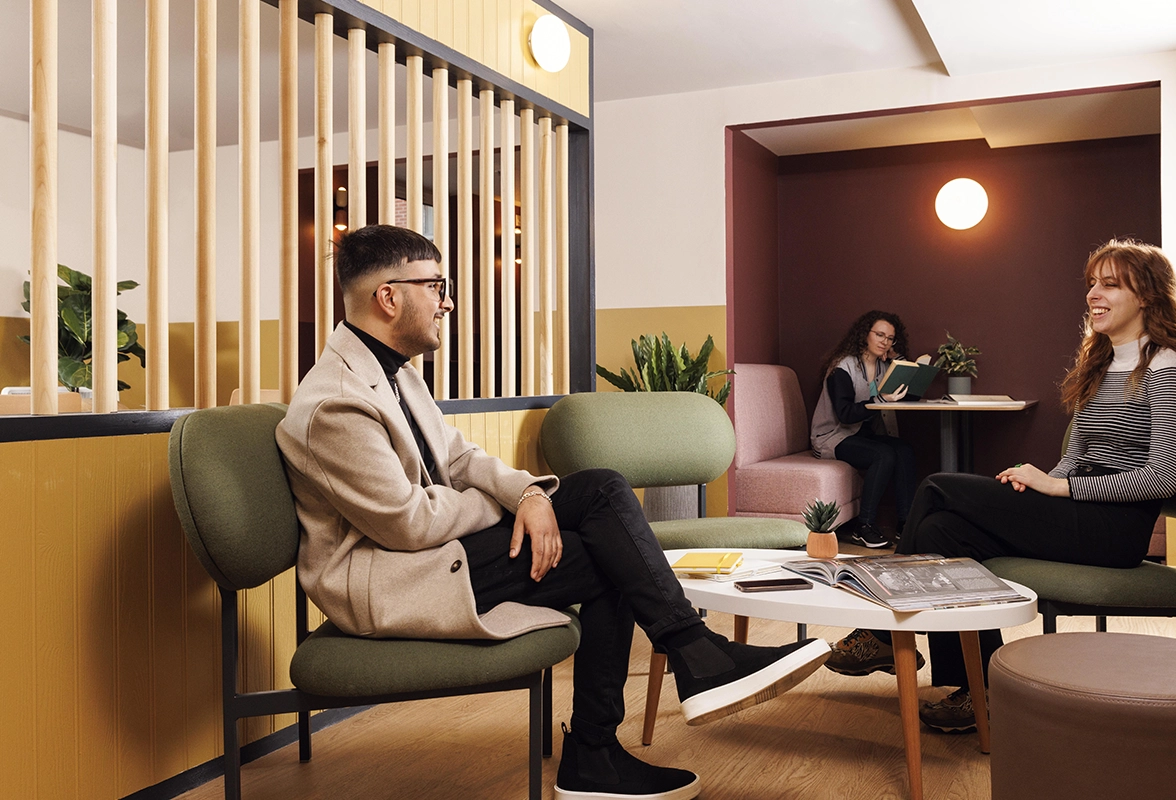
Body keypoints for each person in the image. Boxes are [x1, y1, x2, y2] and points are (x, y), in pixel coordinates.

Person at [276, 224, 830, 800]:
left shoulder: (395, 372)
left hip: (435, 551)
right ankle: (627, 721)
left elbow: (461, 458)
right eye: (436, 284)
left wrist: (530, 495)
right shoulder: (336, 403)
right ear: (388, 297)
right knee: (606, 548)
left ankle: (682, 667)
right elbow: (407, 522)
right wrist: (510, 504)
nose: (448, 300)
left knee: (602, 493)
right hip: (388, 581)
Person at [825, 239, 1176, 733]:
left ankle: (880, 633)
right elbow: (1077, 456)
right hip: (1075, 513)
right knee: (942, 532)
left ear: (1148, 298)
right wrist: (1043, 480)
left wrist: (1056, 490)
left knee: (938, 486)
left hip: (1113, 530)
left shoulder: (1165, 368)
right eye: (1093, 282)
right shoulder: (1103, 363)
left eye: (1110, 284)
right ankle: (980, 688)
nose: (1094, 293)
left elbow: (1163, 478)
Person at [809, 310, 918, 550]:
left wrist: (899, 360)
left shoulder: (883, 366)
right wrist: (881, 400)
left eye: (890, 338)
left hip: (859, 434)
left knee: (904, 449)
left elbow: (906, 393)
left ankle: (906, 524)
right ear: (864, 334)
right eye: (879, 335)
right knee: (884, 454)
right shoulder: (842, 368)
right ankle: (864, 526)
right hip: (832, 437)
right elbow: (845, 414)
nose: (884, 342)